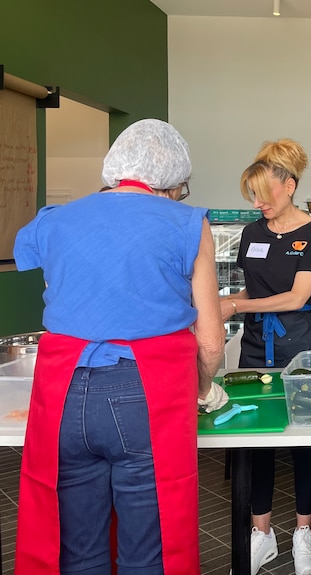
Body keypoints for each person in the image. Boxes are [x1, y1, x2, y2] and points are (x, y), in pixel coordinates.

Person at [13, 119, 227, 574]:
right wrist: (203, 388)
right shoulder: (188, 223)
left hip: (62, 395)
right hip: (145, 397)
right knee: (149, 551)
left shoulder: (56, 219)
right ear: (172, 182)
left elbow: (35, 262)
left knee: (77, 551)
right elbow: (210, 341)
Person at [220, 139, 311, 575]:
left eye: (264, 193)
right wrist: (226, 300)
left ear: (290, 186)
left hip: (301, 344)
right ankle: (261, 535)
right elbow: (257, 292)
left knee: (303, 442)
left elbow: (297, 296)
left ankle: (303, 534)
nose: (257, 202)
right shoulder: (252, 233)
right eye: (252, 194)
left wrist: (235, 306)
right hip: (255, 348)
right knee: (257, 441)